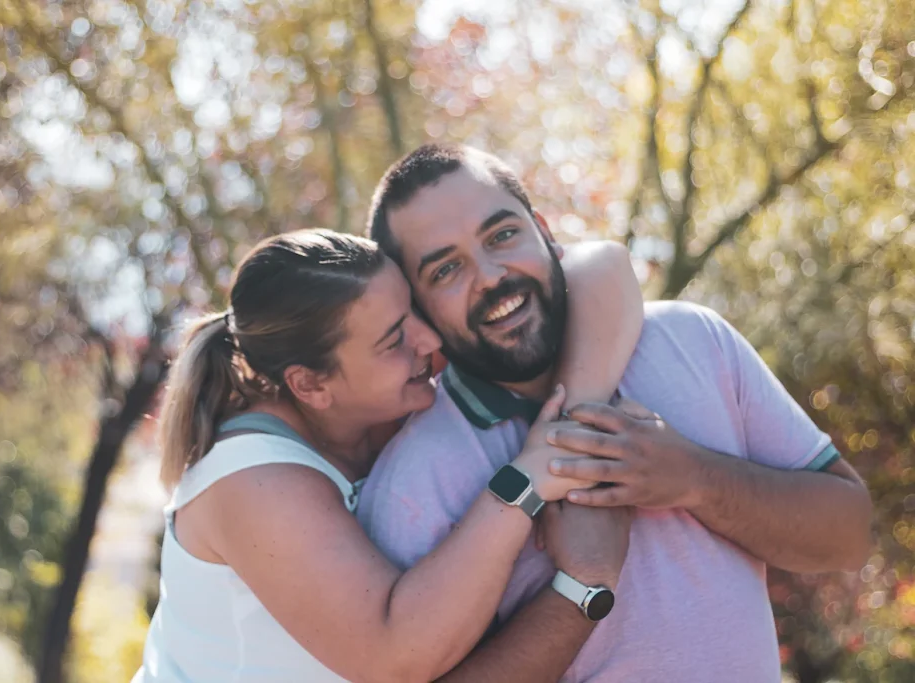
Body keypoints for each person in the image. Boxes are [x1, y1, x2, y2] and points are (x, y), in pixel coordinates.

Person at [358, 143, 874, 682]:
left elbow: (849, 534)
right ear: (416, 307)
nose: (490, 276)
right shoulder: (413, 481)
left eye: (502, 235)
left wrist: (696, 478)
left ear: (542, 229)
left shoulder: (693, 341)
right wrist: (581, 586)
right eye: (446, 270)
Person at [134, 227, 644, 683]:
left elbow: (600, 265)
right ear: (311, 384)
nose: (427, 339)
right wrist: (528, 478)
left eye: (414, 312)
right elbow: (396, 658)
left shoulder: (382, 388)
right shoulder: (250, 481)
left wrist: (578, 424)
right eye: (395, 338)